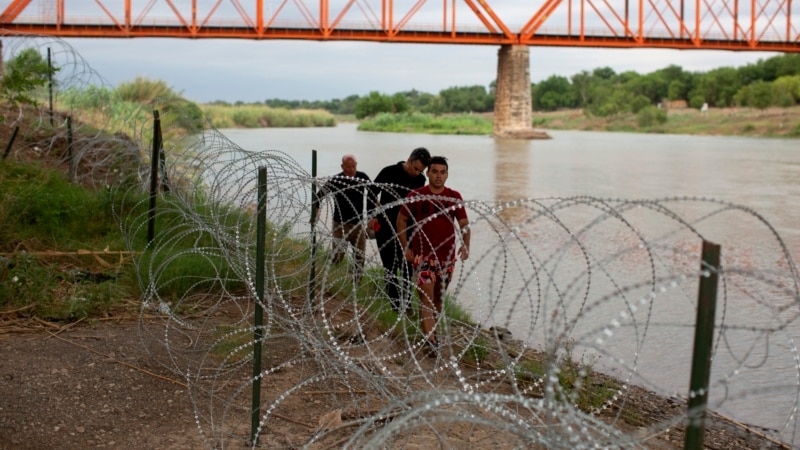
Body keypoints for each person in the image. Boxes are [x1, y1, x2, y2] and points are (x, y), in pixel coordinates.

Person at [396, 156, 470, 352]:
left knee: (438, 297)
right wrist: (406, 247)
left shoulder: (453, 196)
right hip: (423, 256)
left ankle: (433, 334)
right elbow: (401, 220)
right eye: (434, 171)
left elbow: (463, 224)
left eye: (442, 172)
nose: (438, 176)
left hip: (446, 257)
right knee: (426, 297)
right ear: (427, 173)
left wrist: (466, 244)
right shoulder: (416, 195)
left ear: (447, 174)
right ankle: (430, 341)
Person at [368, 147, 431, 314]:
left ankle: (407, 303)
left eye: (421, 170)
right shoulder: (388, 172)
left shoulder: (420, 180)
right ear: (409, 160)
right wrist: (372, 215)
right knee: (390, 266)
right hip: (386, 227)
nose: (417, 173)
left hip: (408, 229)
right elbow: (371, 193)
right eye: (415, 168)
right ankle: (395, 306)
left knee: (408, 267)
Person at [315, 154, 373, 285]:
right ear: (342, 166)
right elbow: (320, 195)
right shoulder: (337, 179)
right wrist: (316, 209)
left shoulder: (362, 177)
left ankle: (356, 283)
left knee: (360, 256)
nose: (352, 169)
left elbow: (373, 192)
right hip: (340, 225)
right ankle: (326, 269)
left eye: (354, 166)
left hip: (358, 224)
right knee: (338, 255)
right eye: (348, 167)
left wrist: (374, 213)